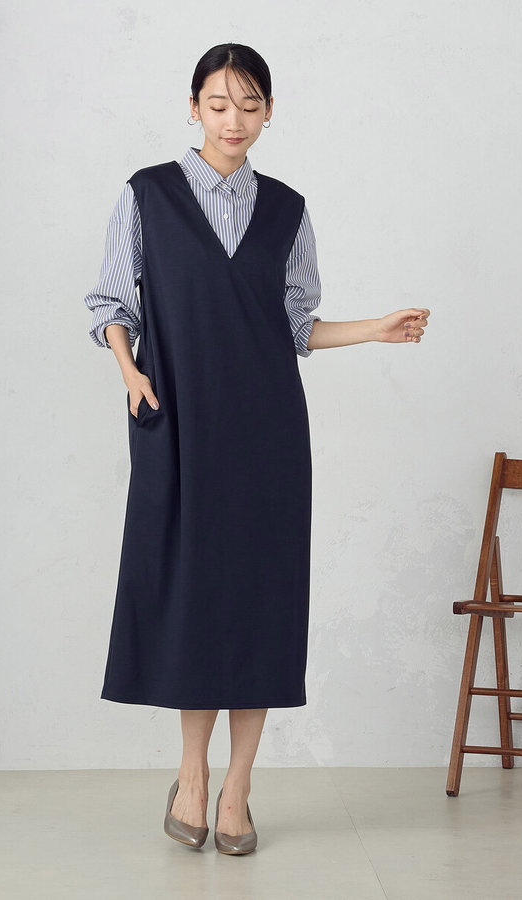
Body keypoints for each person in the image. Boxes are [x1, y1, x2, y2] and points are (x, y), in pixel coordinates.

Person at [83, 42, 430, 855]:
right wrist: (130, 373)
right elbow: (110, 303)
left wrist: (376, 329)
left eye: (248, 105)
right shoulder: (148, 195)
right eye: (217, 103)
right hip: (178, 425)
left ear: (269, 112)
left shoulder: (287, 210)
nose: (232, 119)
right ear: (193, 108)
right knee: (191, 601)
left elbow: (296, 325)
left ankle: (237, 788)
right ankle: (191, 775)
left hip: (268, 435)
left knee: (260, 604)